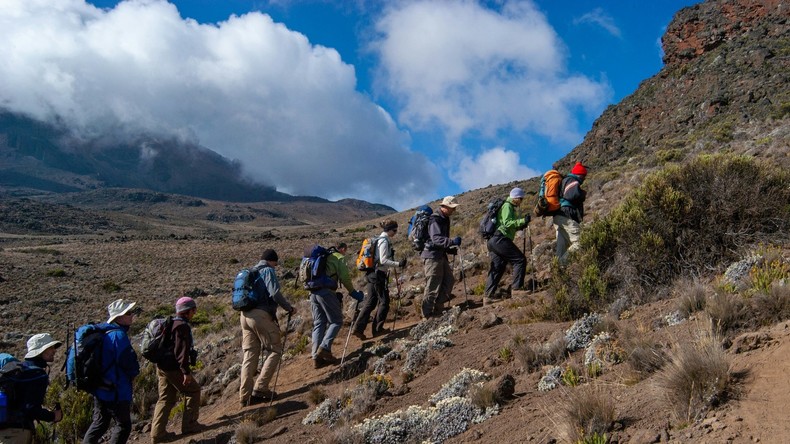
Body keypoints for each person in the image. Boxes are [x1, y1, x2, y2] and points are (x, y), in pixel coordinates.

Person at [239, 249, 297, 407]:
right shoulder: (267, 271)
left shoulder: (251, 271)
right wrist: (288, 308)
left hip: (244, 316)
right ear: (271, 261)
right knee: (276, 349)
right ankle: (261, 388)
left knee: (250, 354)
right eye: (275, 263)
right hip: (260, 315)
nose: (276, 266)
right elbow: (275, 293)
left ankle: (245, 396)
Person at [82, 299, 141, 444]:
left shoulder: (104, 332)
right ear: (119, 317)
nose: (132, 315)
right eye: (128, 313)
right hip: (116, 389)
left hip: (100, 387)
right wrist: (134, 373)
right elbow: (127, 362)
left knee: (99, 424)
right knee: (123, 425)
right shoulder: (118, 335)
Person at [151, 297, 203, 444]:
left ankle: (157, 434)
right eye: (193, 310)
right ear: (188, 311)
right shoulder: (182, 326)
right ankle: (190, 425)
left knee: (165, 399)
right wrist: (185, 372)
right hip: (173, 368)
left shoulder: (171, 323)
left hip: (162, 366)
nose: (195, 313)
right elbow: (181, 351)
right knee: (193, 391)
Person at [0, 334, 63, 444]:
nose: (54, 351)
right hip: (17, 432)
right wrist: (53, 416)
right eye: (50, 348)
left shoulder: (20, 371)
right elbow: (30, 408)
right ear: (41, 351)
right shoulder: (37, 374)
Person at [310, 244, 364, 369]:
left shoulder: (323, 257)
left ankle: (316, 357)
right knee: (336, 321)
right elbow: (345, 277)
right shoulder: (339, 257)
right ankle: (324, 348)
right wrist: (353, 293)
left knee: (319, 323)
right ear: (342, 249)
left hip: (312, 292)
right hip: (326, 292)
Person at [352, 219, 406, 339]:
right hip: (378, 274)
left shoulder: (379, 240)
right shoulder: (384, 241)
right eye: (395, 230)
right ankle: (377, 329)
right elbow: (383, 261)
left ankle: (358, 328)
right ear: (390, 230)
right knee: (384, 301)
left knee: (371, 301)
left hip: (372, 273)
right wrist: (398, 264)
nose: (396, 232)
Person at [484, 187, 530, 301]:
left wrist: (520, 225)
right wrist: (523, 221)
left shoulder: (508, 206)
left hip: (493, 240)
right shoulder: (507, 206)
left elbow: (507, 224)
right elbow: (507, 223)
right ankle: (516, 289)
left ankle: (488, 297)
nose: (521, 201)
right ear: (516, 198)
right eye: (521, 199)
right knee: (520, 260)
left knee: (498, 267)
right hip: (500, 239)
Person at [420, 196, 461, 318]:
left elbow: (439, 240)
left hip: (440, 254)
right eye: (452, 208)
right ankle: (426, 315)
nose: (454, 211)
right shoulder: (435, 219)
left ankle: (438, 308)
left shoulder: (444, 218)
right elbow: (436, 238)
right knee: (433, 285)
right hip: (432, 256)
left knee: (448, 280)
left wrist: (448, 249)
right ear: (445, 206)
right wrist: (452, 242)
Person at [554, 162, 588, 265]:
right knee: (580, 242)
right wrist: (582, 193)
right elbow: (572, 195)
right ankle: (561, 264)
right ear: (580, 175)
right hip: (567, 216)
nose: (584, 179)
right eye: (584, 176)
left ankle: (558, 270)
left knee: (562, 247)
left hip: (558, 217)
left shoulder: (565, 180)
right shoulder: (572, 180)